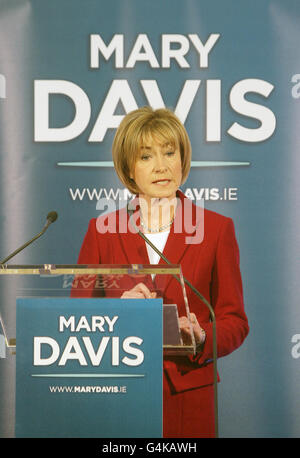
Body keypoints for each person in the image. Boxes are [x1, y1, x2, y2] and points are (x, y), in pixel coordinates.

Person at [72, 106, 249, 438]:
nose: (161, 166)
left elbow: (234, 321)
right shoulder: (101, 231)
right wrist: (116, 312)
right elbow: (76, 319)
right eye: (146, 156)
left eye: (170, 152)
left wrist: (201, 338)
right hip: (120, 396)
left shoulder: (216, 230)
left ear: (183, 159)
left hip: (188, 399)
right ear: (128, 168)